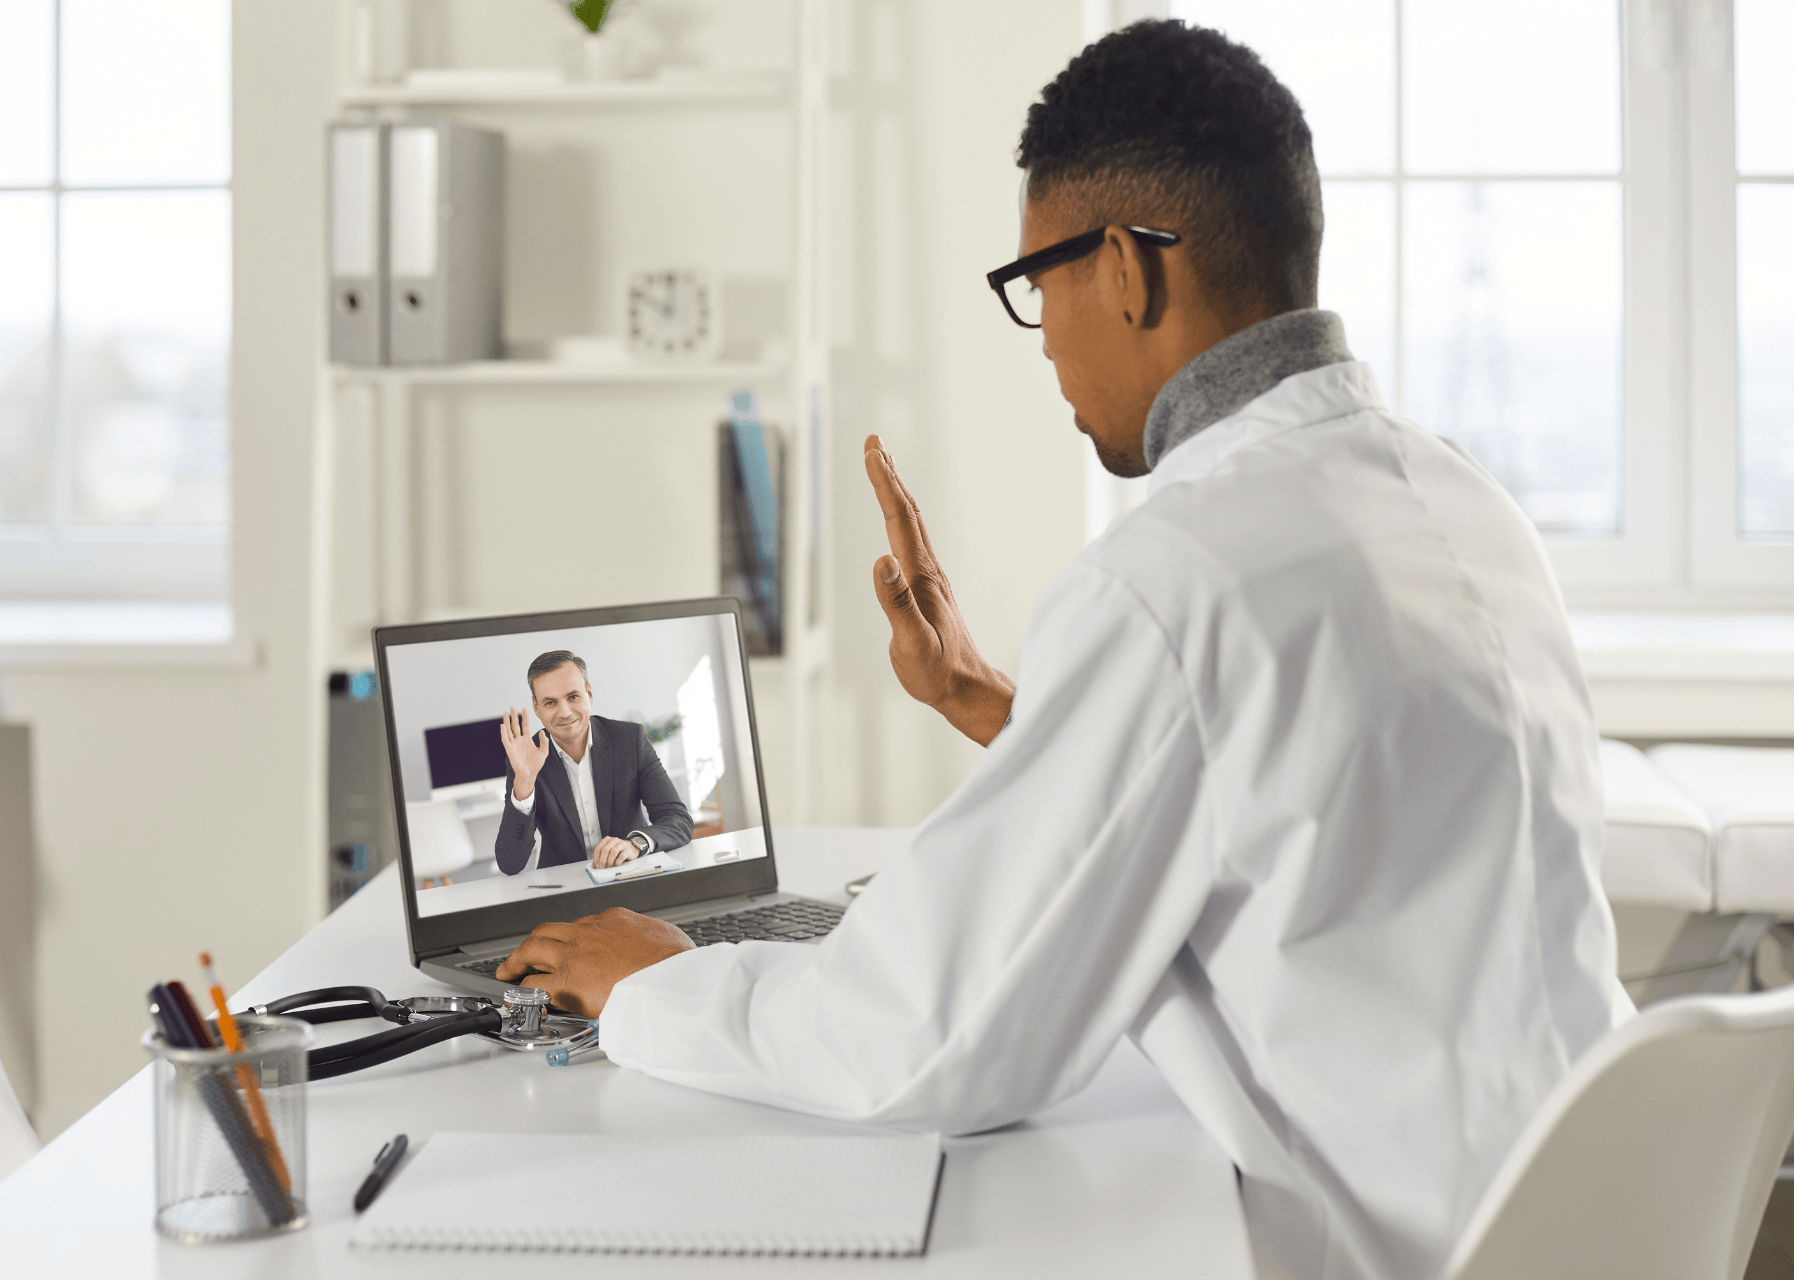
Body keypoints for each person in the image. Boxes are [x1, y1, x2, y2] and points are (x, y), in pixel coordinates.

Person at [491, 21, 1629, 1280]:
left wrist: (660, 979)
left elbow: (930, 1038)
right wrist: (991, 702)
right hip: (1578, 1213)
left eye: (1038, 280)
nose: (1039, 334)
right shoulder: (1459, 499)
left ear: (1129, 270)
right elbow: (1291, 791)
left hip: (1385, 1247)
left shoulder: (1178, 575)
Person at [495, 650, 693, 872]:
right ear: (536, 707)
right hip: (567, 892)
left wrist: (635, 844)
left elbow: (677, 820)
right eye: (550, 702)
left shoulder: (629, 740)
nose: (565, 712)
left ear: (589, 694)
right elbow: (509, 863)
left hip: (632, 875)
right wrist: (524, 784)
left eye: (573, 697)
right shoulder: (526, 758)